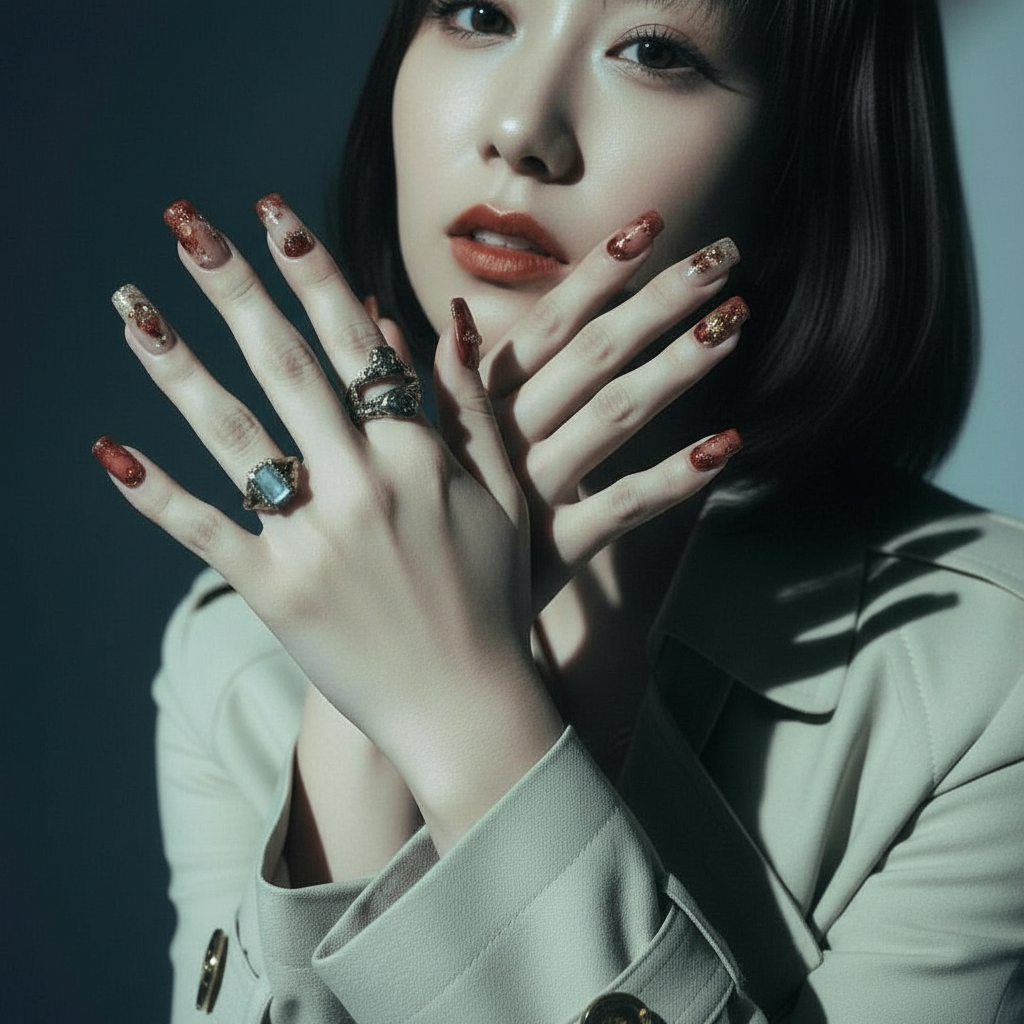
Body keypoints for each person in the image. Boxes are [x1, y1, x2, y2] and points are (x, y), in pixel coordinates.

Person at [92, 0, 1024, 1021]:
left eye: (655, 51)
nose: (521, 129)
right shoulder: (233, 653)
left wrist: (464, 714)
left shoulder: (986, 677)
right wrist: (354, 739)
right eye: (479, 14)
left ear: (813, 156)